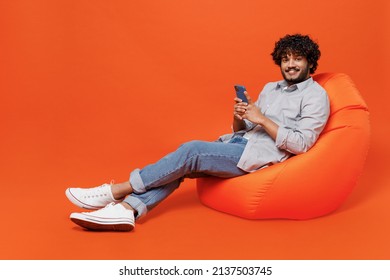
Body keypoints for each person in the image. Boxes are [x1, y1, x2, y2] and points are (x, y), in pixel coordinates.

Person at [66, 34, 330, 232]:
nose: (290, 65)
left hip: (258, 157)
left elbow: (302, 144)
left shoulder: (316, 96)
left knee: (191, 150)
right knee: (181, 165)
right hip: (238, 143)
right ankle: (127, 210)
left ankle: (116, 190)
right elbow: (246, 128)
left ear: (310, 62)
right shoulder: (271, 88)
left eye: (297, 58)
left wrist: (262, 118)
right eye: (285, 59)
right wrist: (241, 115)